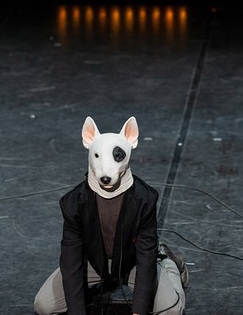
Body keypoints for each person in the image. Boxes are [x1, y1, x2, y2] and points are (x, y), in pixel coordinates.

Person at [34, 116, 188, 315]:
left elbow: (145, 255)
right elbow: (71, 259)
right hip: (93, 263)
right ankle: (101, 283)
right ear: (87, 142)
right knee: (43, 305)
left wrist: (138, 312)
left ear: (132, 142)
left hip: (133, 262)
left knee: (170, 311)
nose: (106, 173)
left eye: (117, 156)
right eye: (98, 156)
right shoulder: (73, 203)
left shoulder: (145, 199)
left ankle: (168, 265)